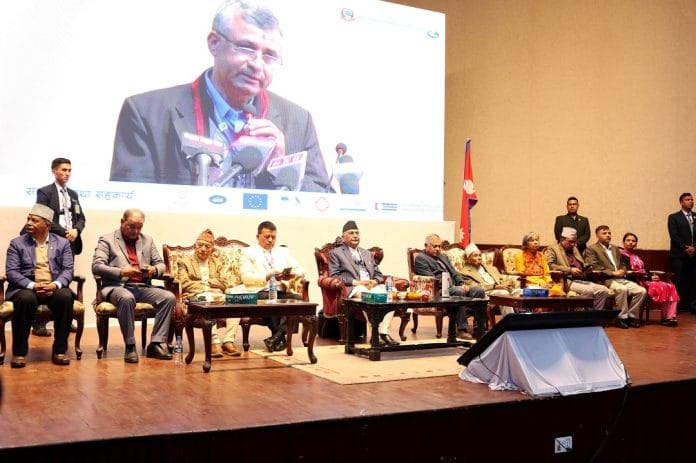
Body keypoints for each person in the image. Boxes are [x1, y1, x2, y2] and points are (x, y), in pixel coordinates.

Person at [110, 0, 331, 192]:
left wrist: (281, 168)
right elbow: (132, 208)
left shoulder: (297, 121)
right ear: (214, 43)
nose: (257, 64)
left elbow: (324, 201)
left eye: (269, 56)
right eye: (246, 48)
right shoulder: (147, 113)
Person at [91, 209, 175, 363]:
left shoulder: (147, 240)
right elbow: (97, 266)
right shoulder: (107, 239)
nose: (136, 231)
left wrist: (154, 270)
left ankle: (156, 343)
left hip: (142, 287)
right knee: (126, 298)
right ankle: (130, 346)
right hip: (117, 287)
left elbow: (161, 264)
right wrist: (121, 272)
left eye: (139, 227)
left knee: (168, 297)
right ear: (122, 222)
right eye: (131, 226)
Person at [5, 204, 74, 368]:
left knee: (65, 296)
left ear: (47, 225)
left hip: (53, 287)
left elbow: (68, 270)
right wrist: (33, 285)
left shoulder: (63, 243)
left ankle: (59, 351)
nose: (29, 223)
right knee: (25, 299)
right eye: (28, 219)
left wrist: (55, 285)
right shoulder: (17, 243)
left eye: (34, 220)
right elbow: (12, 272)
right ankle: (19, 353)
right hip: (27, 288)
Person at [30, 157, 85, 337]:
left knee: (64, 278)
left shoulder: (73, 194)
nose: (67, 173)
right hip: (52, 240)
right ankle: (39, 323)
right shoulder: (45, 192)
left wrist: (76, 230)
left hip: (70, 242)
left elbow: (81, 218)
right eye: (63, 170)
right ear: (54, 171)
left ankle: (65, 319)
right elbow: (43, 218)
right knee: (47, 276)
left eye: (69, 170)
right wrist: (64, 233)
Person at [328, 220, 399, 346]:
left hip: (371, 286)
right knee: (368, 296)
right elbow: (334, 276)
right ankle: (376, 335)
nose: (355, 236)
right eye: (351, 233)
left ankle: (383, 333)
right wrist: (357, 282)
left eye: (357, 233)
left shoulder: (367, 253)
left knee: (391, 293)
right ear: (343, 237)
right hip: (354, 287)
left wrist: (375, 281)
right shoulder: (336, 253)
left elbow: (378, 274)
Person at [241, 221, 304, 352]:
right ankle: (279, 338)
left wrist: (291, 274)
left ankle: (276, 337)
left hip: (280, 290)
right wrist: (267, 275)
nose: (270, 240)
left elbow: (300, 269)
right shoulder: (248, 252)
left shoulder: (283, 251)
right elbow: (246, 277)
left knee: (298, 300)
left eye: (273, 237)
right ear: (258, 236)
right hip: (260, 291)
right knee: (271, 299)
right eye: (267, 237)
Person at [177, 229, 240, 357]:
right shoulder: (184, 261)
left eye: (207, 246)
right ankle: (214, 342)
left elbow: (224, 282)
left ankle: (228, 341)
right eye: (200, 245)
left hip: (217, 296)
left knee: (235, 300)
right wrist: (209, 288)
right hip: (195, 298)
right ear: (195, 246)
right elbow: (184, 283)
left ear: (212, 249)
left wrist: (211, 286)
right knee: (208, 299)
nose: (203, 249)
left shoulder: (217, 262)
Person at [413, 234, 486, 339]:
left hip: (454, 287)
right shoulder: (421, 258)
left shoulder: (443, 256)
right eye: (435, 246)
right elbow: (431, 280)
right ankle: (461, 329)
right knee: (458, 292)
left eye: (439, 246)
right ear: (426, 245)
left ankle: (479, 328)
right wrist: (454, 287)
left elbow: (454, 272)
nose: (438, 249)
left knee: (479, 291)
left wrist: (462, 283)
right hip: (437, 290)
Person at [584, 225, 647, 329]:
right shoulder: (592, 249)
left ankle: (632, 316)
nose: (608, 235)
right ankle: (621, 318)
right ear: (597, 236)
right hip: (605, 280)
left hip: (620, 278)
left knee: (641, 291)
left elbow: (622, 264)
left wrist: (623, 270)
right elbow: (593, 266)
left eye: (609, 233)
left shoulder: (615, 248)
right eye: (604, 233)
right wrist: (613, 273)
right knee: (622, 289)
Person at [621, 232, 679, 327]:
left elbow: (645, 270)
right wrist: (648, 277)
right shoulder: (621, 255)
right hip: (635, 281)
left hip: (645, 279)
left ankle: (669, 317)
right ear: (623, 242)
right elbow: (628, 272)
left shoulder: (636, 256)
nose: (631, 242)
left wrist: (653, 276)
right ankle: (667, 317)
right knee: (663, 287)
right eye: (628, 240)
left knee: (670, 286)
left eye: (633, 241)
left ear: (636, 243)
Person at [544, 227, 610, 310]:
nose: (573, 244)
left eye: (574, 242)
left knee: (603, 290)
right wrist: (570, 270)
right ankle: (579, 315)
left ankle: (594, 314)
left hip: (581, 279)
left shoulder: (574, 249)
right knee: (588, 290)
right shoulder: (553, 249)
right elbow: (550, 265)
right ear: (562, 240)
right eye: (570, 242)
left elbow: (581, 263)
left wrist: (587, 268)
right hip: (566, 280)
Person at [458, 243, 516, 319]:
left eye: (480, 255)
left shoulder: (491, 268)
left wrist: (508, 286)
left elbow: (501, 279)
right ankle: (511, 322)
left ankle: (524, 321)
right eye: (475, 256)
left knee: (520, 293)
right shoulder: (464, 272)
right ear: (468, 259)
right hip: (485, 293)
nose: (479, 258)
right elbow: (474, 287)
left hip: (500, 290)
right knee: (504, 295)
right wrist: (495, 286)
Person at [667, 192, 696, 314]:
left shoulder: (695, 216)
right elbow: (674, 235)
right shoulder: (673, 217)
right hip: (679, 255)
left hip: (694, 255)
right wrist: (686, 247)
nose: (691, 201)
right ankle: (675, 308)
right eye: (687, 199)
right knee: (678, 281)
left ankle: (693, 307)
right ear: (681, 202)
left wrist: (694, 247)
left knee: (694, 281)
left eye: (692, 199)